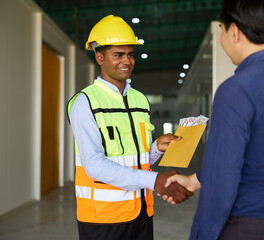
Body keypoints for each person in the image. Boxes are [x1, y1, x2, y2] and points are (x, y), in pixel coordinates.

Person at [165, 0, 264, 239]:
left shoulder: (236, 90)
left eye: (221, 29)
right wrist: (195, 180)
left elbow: (222, 181)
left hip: (251, 227)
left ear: (234, 31)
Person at [67, 15, 193, 240]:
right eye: (118, 54)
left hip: (142, 212)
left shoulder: (139, 100)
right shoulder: (85, 102)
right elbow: (94, 165)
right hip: (103, 220)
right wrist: (155, 180)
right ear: (99, 57)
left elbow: (137, 159)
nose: (127, 60)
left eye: (130, 54)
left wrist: (156, 148)